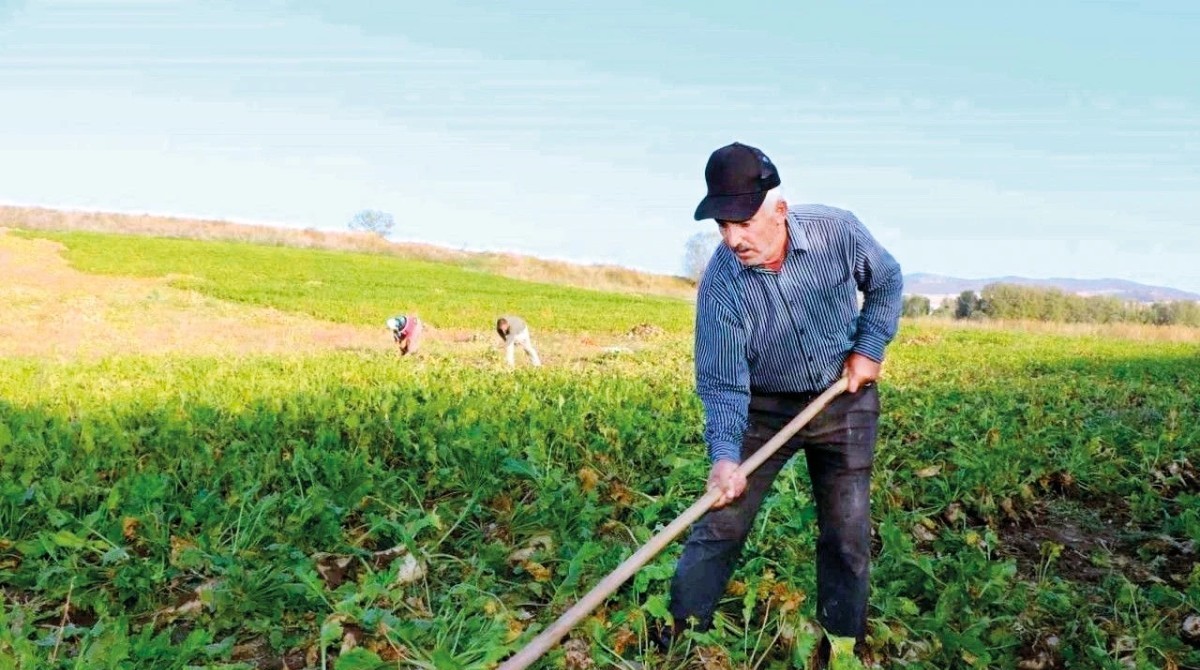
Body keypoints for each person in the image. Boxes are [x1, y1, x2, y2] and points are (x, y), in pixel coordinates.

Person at [664, 142, 902, 667]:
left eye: (743, 222)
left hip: (844, 398)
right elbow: (724, 383)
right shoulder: (722, 285)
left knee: (846, 532)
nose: (733, 238)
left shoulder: (838, 233)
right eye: (723, 225)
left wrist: (869, 348)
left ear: (778, 209)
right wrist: (725, 456)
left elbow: (886, 282)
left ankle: (840, 648)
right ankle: (678, 640)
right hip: (763, 409)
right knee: (721, 521)